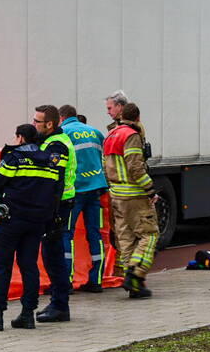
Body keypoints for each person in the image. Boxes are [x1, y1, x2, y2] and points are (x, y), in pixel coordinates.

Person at [0, 124, 61, 331]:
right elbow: (55, 191)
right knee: (29, 266)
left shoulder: (14, 158)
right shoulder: (49, 161)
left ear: (20, 138)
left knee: (3, 266)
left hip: (11, 221)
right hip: (36, 221)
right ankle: (27, 315)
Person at [103, 102, 158, 299]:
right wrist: (150, 190)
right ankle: (136, 273)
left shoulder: (111, 135)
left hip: (116, 195)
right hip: (134, 195)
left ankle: (133, 284)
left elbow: (105, 166)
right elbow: (135, 166)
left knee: (126, 240)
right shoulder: (131, 136)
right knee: (149, 235)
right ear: (138, 118)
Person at [32, 104, 76, 323]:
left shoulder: (57, 145)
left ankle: (60, 305)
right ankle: (57, 302)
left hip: (58, 205)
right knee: (51, 254)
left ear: (49, 124)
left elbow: (53, 179)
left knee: (53, 255)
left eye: (37, 121)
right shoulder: (51, 141)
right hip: (57, 203)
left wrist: (49, 207)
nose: (33, 124)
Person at [59, 104, 109, 293]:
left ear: (62, 118)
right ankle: (96, 280)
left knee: (66, 233)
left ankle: (66, 281)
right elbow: (103, 158)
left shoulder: (64, 133)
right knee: (95, 233)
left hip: (76, 191)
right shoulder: (95, 132)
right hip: (95, 189)